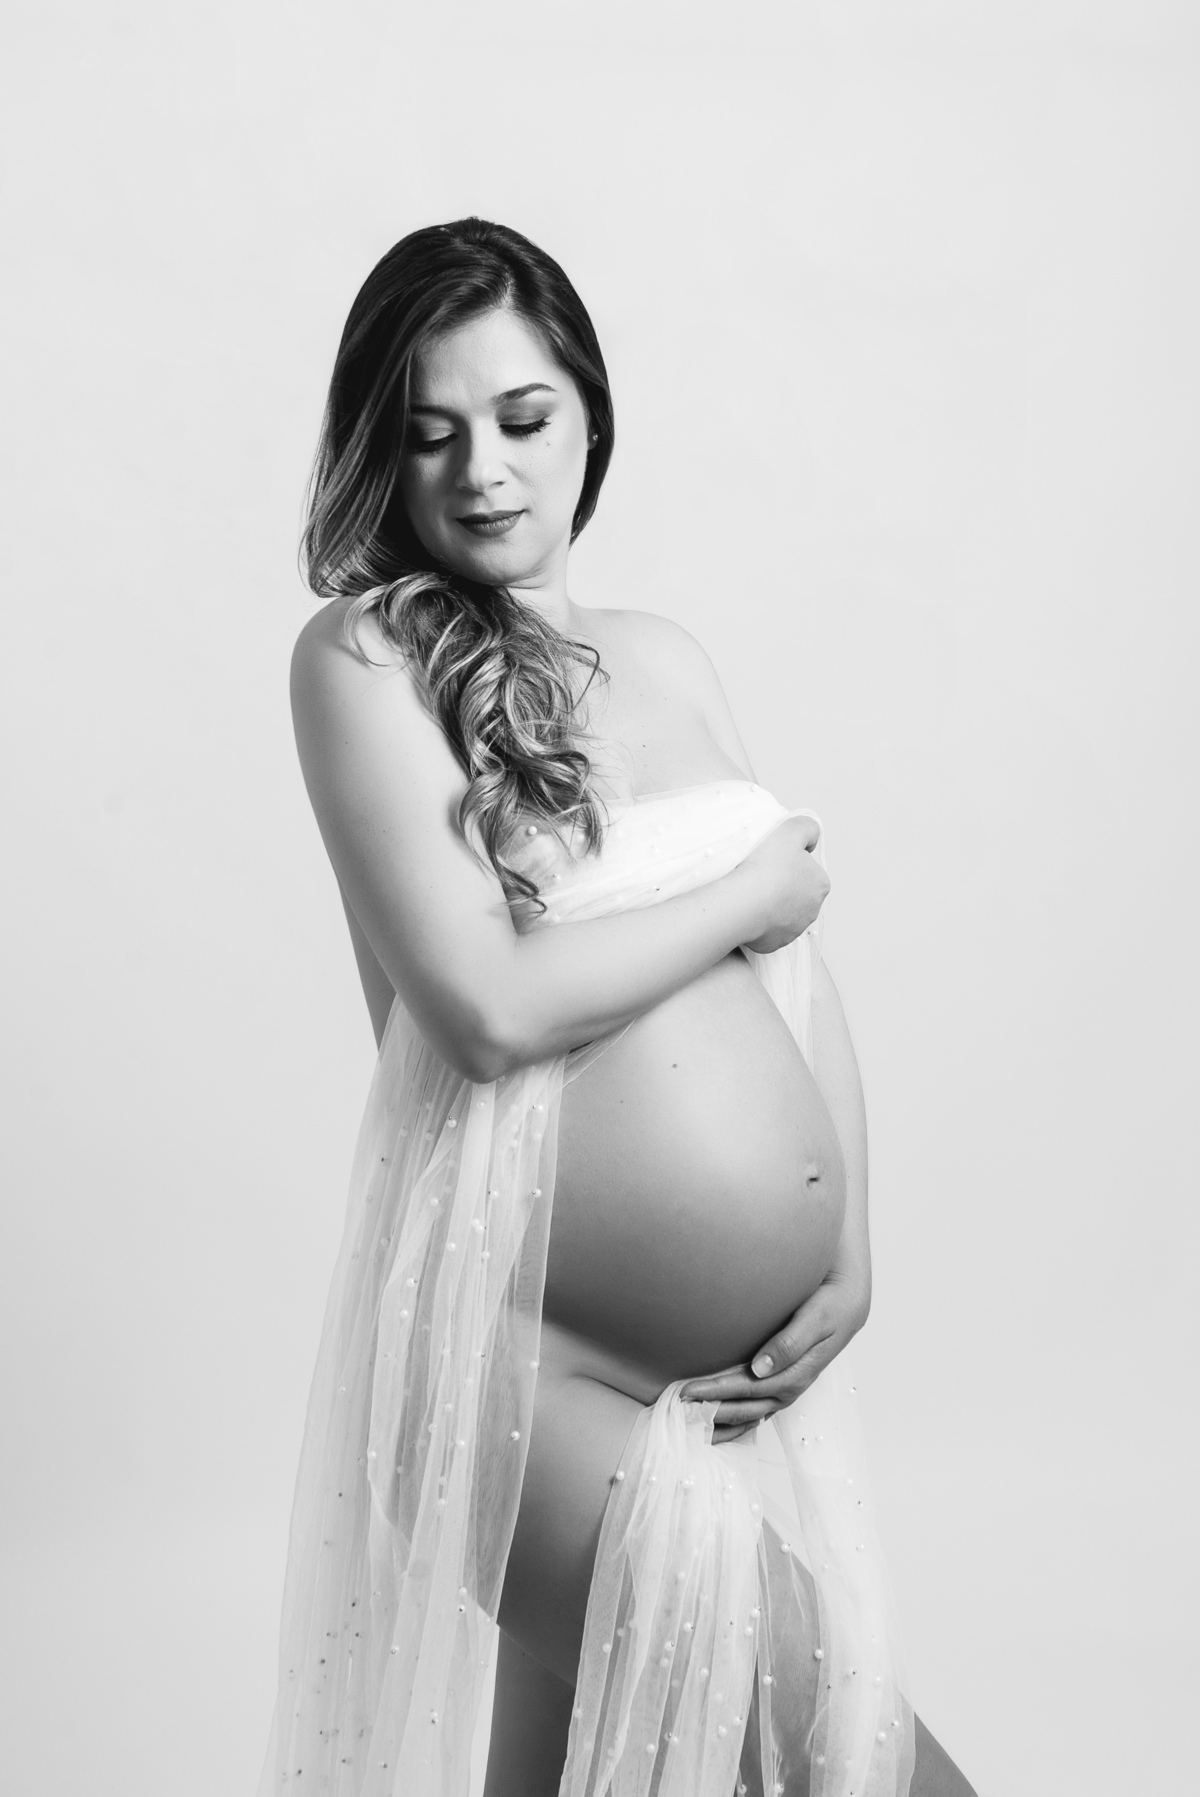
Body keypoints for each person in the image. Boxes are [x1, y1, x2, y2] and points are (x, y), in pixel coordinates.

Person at [258, 217, 975, 1797]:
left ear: (589, 412)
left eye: (522, 418)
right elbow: (489, 1006)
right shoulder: (366, 662)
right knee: (889, 1779)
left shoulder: (663, 657)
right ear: (382, 452)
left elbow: (795, 973)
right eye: (431, 434)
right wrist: (748, 890)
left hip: (694, 1390)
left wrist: (848, 1242)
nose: (484, 471)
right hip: (518, 1377)